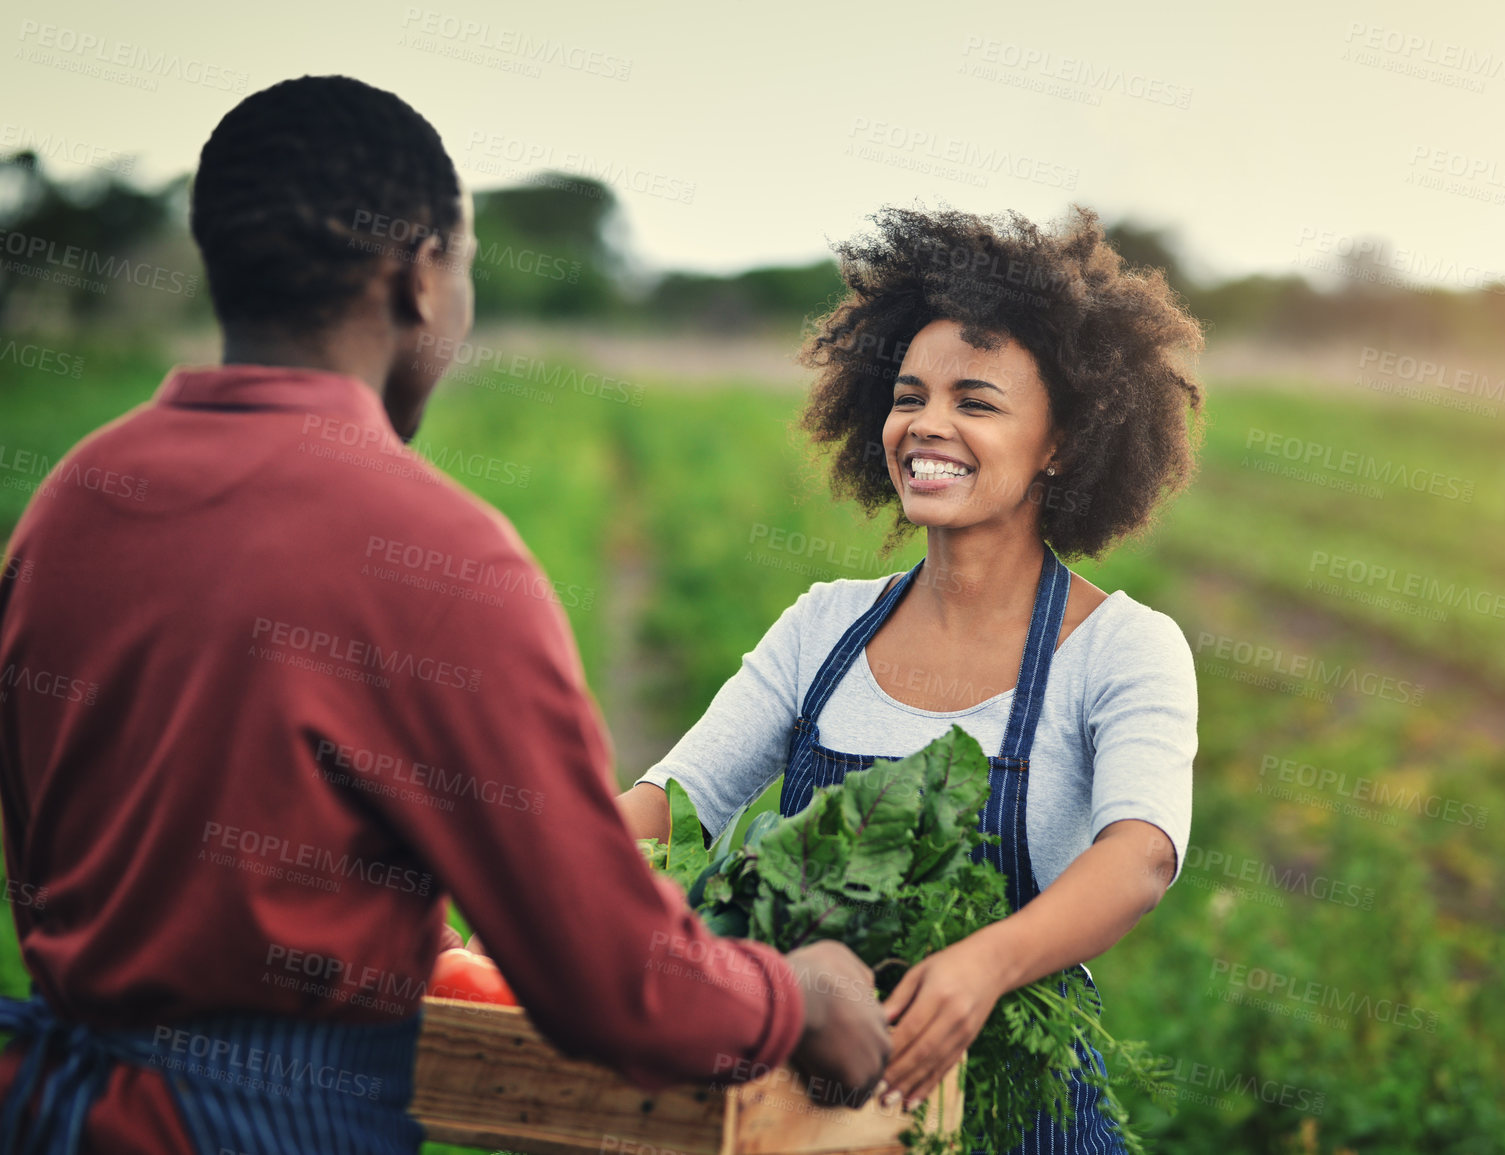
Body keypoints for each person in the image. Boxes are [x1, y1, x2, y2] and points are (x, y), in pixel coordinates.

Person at [0, 75, 888, 1154]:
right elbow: (609, 981)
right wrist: (798, 999)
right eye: (464, 270)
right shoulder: (433, 554)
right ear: (420, 275)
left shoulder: (75, 501)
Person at [617, 205, 1203, 1153]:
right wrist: (523, 875)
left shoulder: (1122, 647)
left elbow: (1138, 855)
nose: (926, 425)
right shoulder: (825, 625)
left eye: (975, 401)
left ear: (1060, 440)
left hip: (1022, 1103)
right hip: (816, 1110)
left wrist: (981, 967)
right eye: (907, 395)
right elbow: (673, 804)